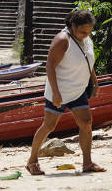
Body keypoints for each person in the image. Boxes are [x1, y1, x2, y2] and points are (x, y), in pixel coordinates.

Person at [26, 9, 105, 175]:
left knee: (86, 123)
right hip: (59, 91)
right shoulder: (62, 40)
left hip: (78, 90)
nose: (86, 34)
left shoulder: (85, 37)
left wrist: (95, 83)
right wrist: (55, 92)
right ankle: (32, 160)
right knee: (49, 125)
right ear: (73, 25)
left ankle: (87, 162)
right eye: (83, 31)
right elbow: (49, 65)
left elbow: (88, 61)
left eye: (89, 32)